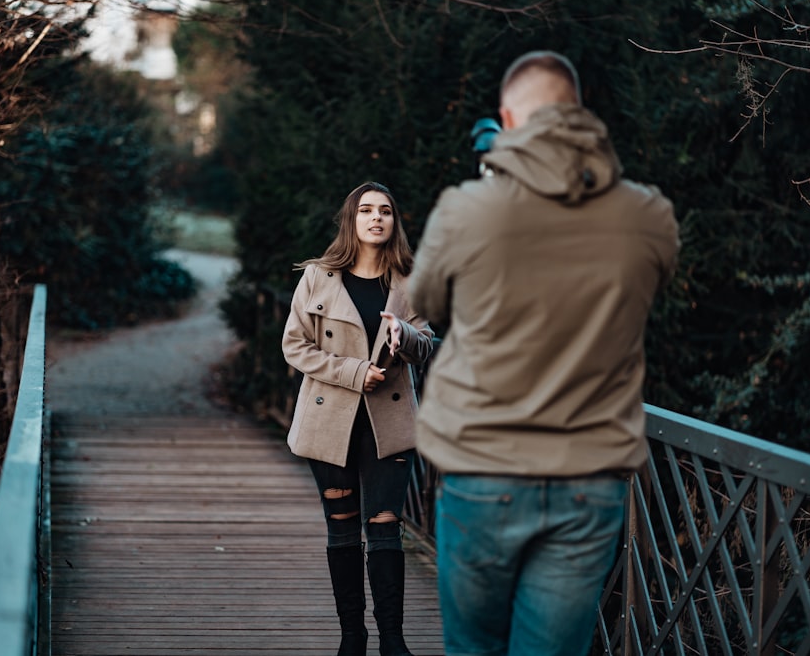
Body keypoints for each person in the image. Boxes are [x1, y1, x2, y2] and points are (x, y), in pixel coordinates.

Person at [407, 51, 680, 656]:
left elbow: (428, 299)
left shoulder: (466, 210)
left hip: (481, 470)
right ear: (579, 115)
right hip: (590, 481)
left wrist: (493, 192)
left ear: (506, 119)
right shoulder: (649, 216)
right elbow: (643, 289)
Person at [282, 182, 434, 656]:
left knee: (386, 525)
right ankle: (353, 637)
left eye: (385, 211)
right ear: (351, 221)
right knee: (343, 526)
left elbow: (429, 345)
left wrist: (403, 335)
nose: (376, 218)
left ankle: (393, 639)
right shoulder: (317, 277)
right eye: (366, 210)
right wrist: (352, 372)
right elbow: (295, 345)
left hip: (389, 425)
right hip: (331, 422)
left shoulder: (412, 281)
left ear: (394, 222)